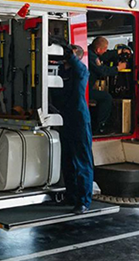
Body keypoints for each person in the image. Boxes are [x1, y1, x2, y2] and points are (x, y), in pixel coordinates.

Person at [54, 43, 94, 214]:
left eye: (68, 54)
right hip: (65, 120)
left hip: (79, 121)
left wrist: (68, 53)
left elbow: (75, 63)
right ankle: (71, 195)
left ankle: (84, 201)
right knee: (68, 161)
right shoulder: (63, 72)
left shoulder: (81, 70)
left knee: (82, 161)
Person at [88, 36, 127, 134]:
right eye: (104, 49)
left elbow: (103, 56)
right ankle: (101, 126)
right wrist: (118, 68)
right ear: (98, 49)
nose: (106, 51)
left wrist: (119, 52)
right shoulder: (91, 57)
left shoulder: (90, 51)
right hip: (84, 90)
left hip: (84, 87)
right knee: (106, 98)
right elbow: (103, 71)